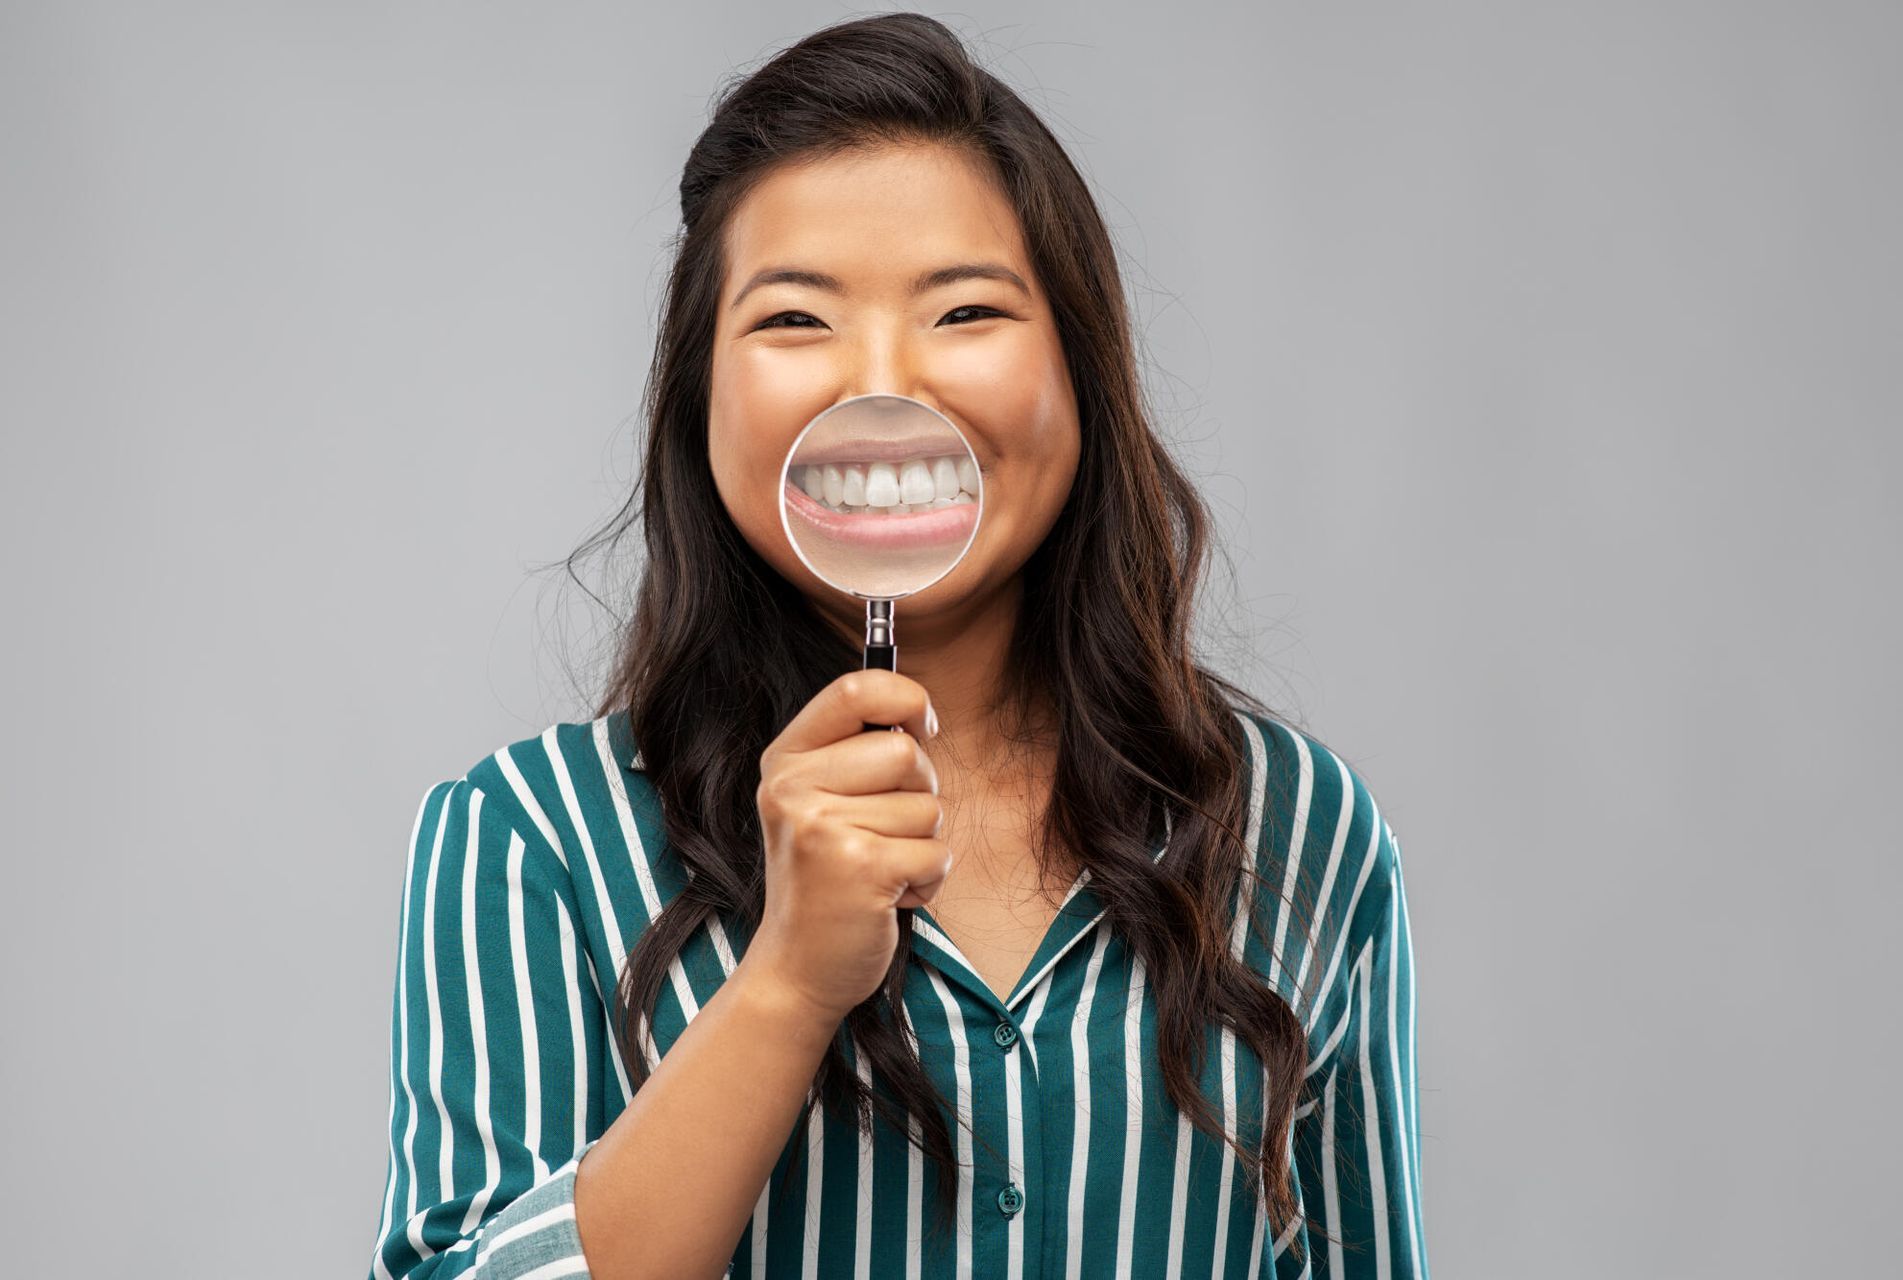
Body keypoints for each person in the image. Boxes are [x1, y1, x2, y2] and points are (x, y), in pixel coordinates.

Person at [366, 12, 1428, 1279]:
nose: (883, 384)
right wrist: (786, 984)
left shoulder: (1297, 828)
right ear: (700, 395)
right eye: (797, 321)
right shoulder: (529, 840)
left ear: (1080, 374)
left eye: (965, 310)